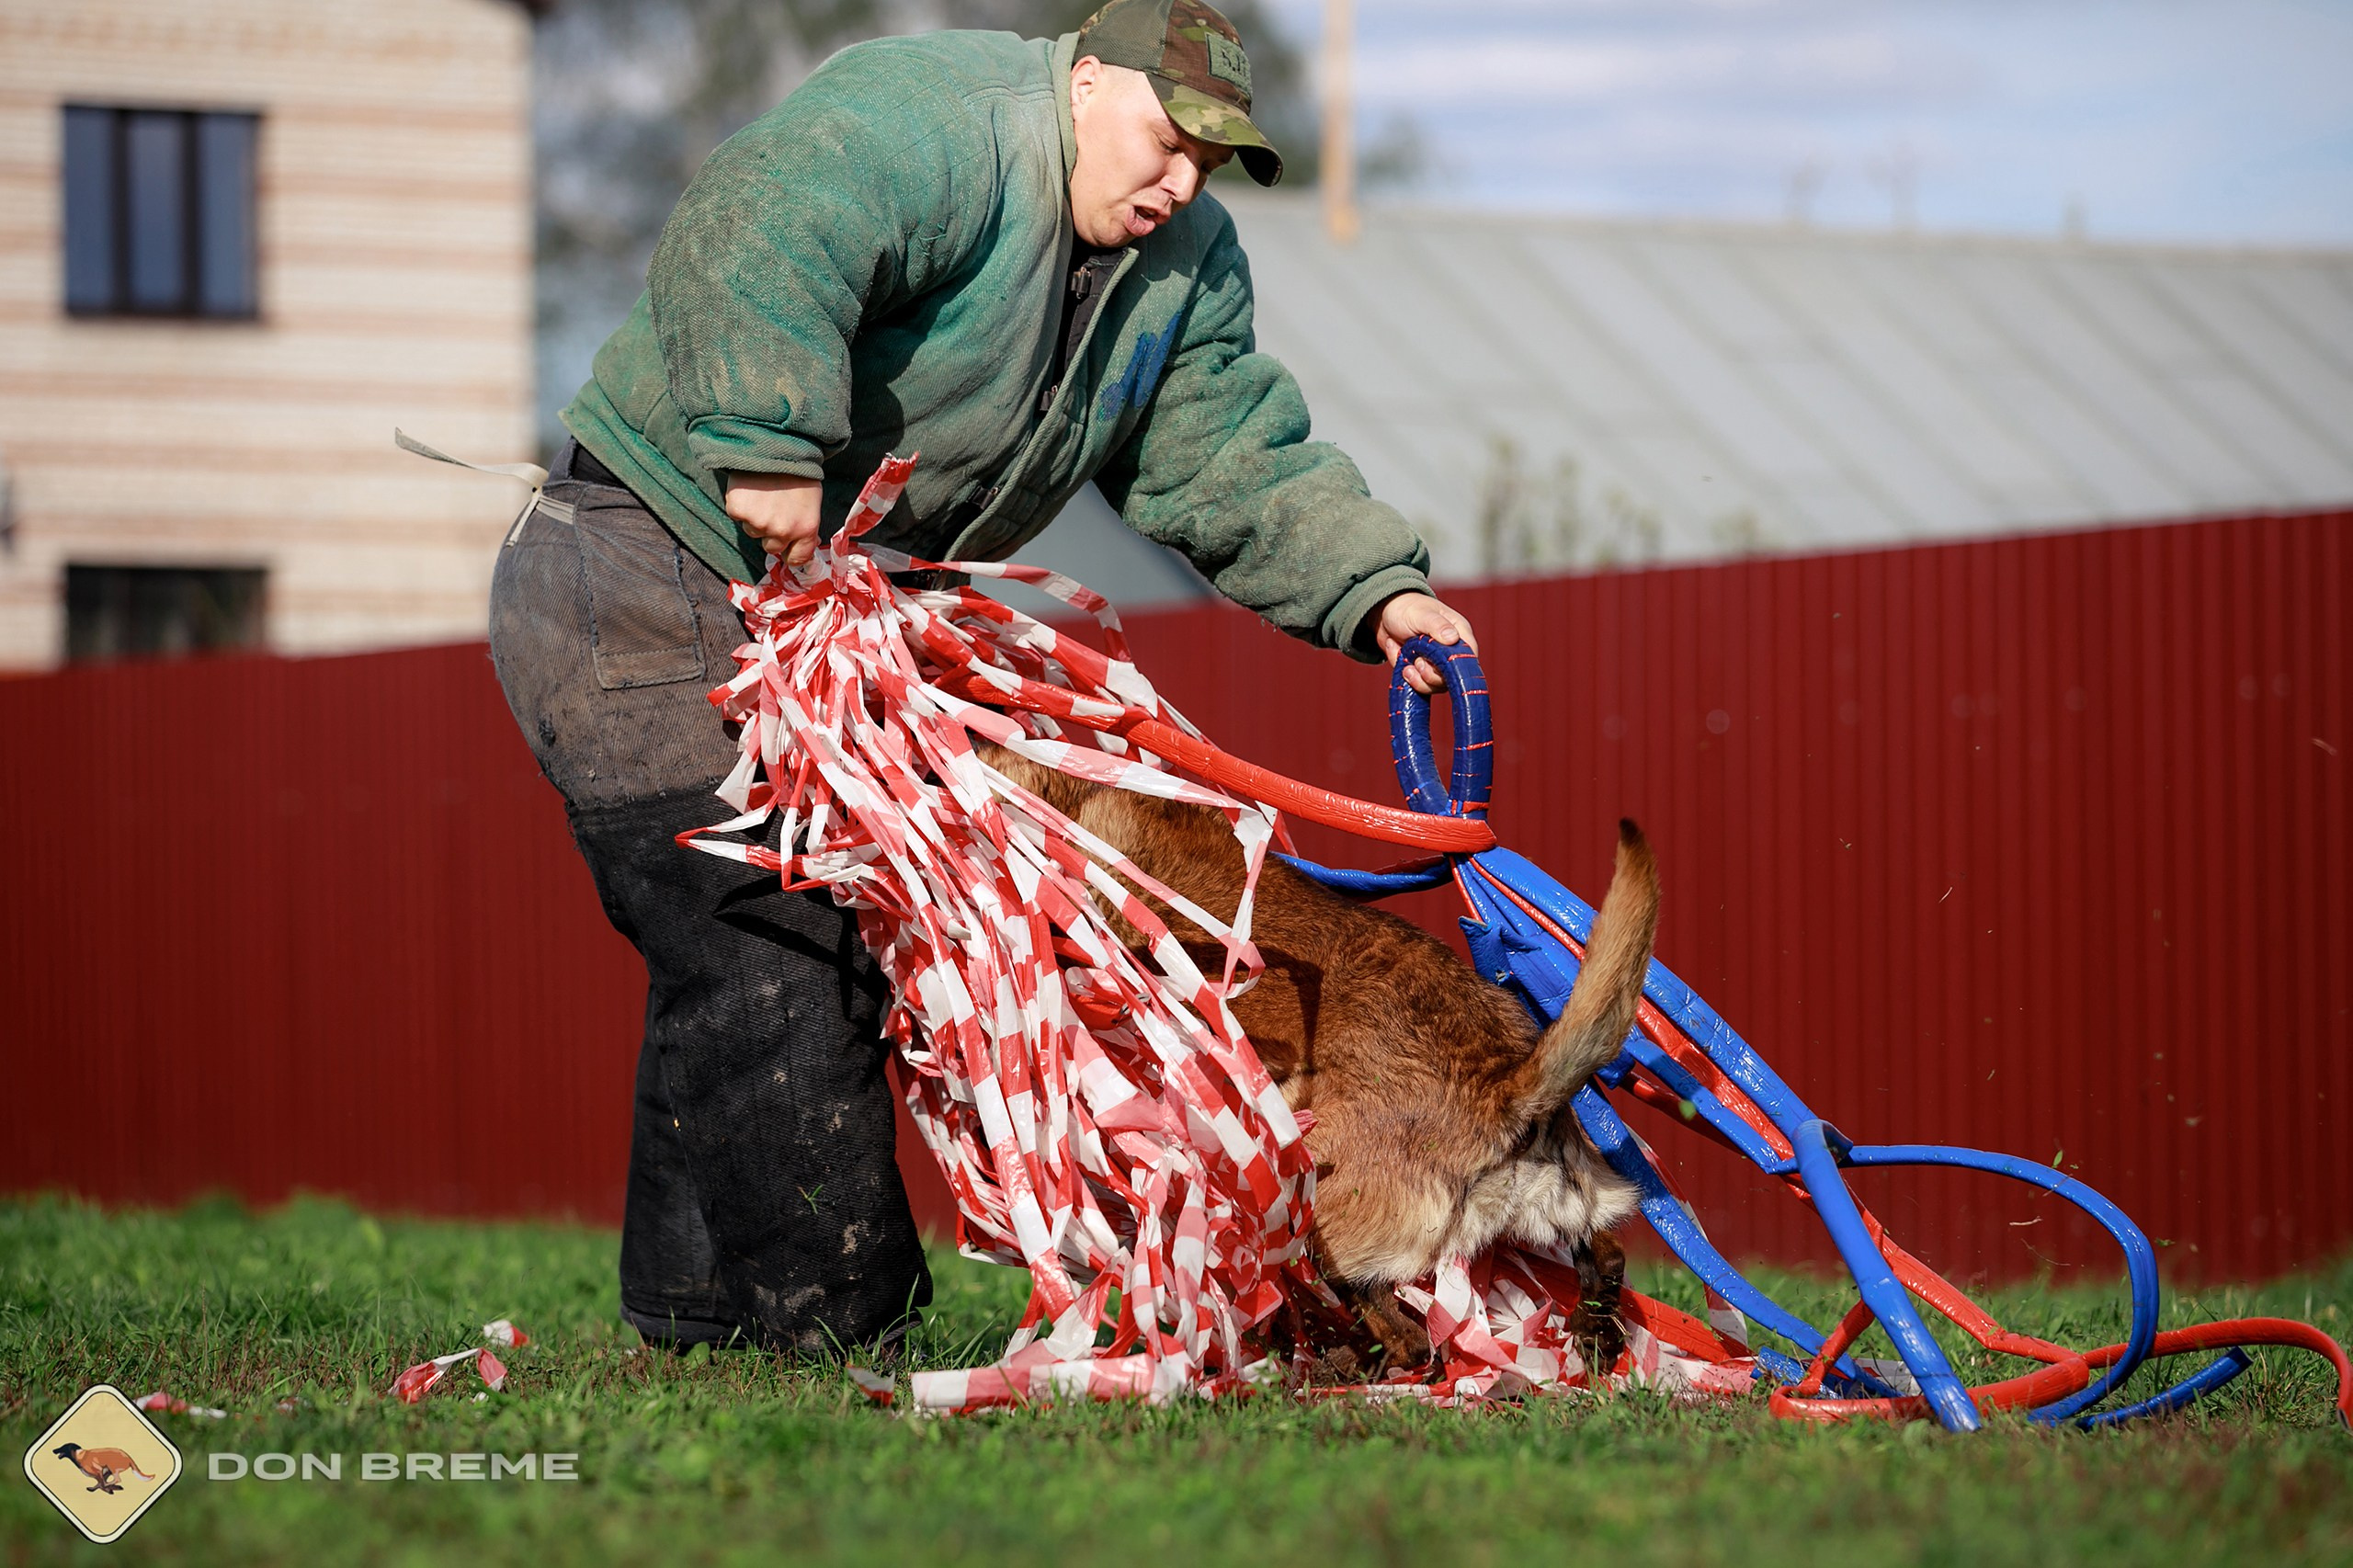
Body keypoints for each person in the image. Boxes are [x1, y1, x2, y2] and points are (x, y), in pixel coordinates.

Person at [487, 0, 1480, 1358]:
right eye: (1165, 134)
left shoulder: (1181, 265)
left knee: (747, 942)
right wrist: (767, 434)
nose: (1182, 175)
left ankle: (705, 1327)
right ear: (1084, 81)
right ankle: (833, 1338)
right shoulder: (942, 119)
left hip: (817, 613)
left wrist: (1382, 589)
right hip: (637, 568)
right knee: (770, 928)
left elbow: (1228, 453)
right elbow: (762, 209)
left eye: (1213, 154)